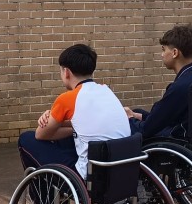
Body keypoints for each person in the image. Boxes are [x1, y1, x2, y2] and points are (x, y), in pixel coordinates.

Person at [18, 43, 130, 178]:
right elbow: (87, 123)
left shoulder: (68, 98)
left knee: (27, 138)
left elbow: (41, 135)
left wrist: (56, 121)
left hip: (89, 179)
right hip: (122, 173)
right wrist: (75, 128)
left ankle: (40, 197)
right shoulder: (106, 90)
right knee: (68, 140)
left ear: (66, 72)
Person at [126, 23, 192, 139]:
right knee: (138, 112)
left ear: (175, 53)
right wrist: (137, 115)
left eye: (163, 50)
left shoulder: (181, 86)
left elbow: (146, 129)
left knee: (132, 125)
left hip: (182, 142)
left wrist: (129, 119)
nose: (162, 55)